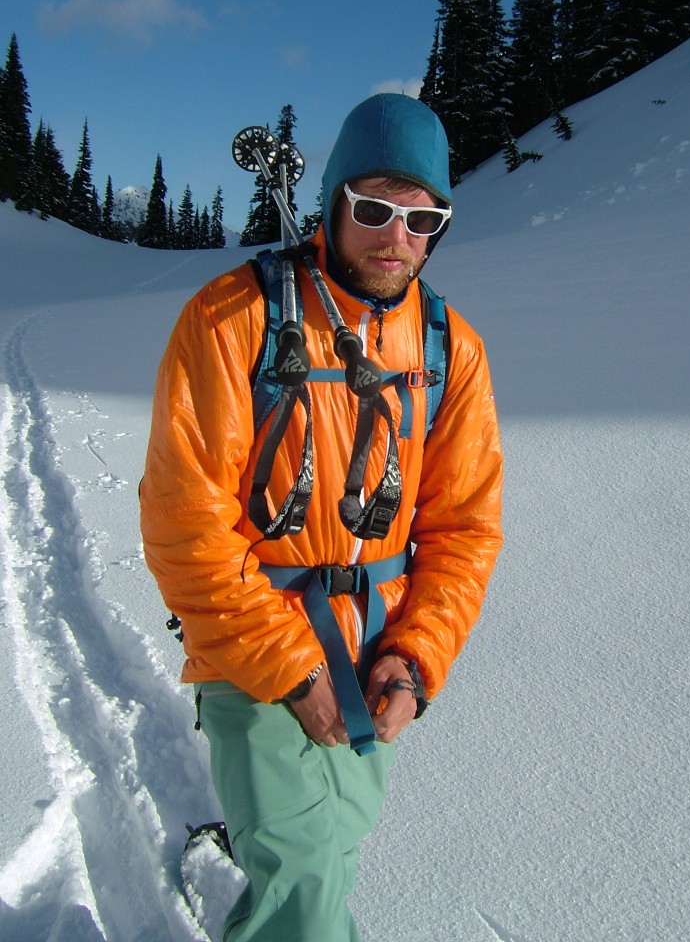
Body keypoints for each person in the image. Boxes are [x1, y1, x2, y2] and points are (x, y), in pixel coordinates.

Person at [140, 93, 503, 941]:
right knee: (303, 895)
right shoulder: (234, 321)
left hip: (377, 656)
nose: (396, 237)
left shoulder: (452, 350)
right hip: (252, 648)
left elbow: (465, 530)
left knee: (334, 850)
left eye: (424, 218)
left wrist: (414, 662)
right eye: (375, 208)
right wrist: (294, 672)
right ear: (335, 201)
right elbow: (184, 519)